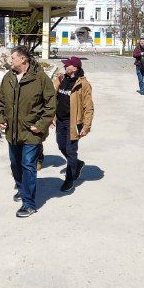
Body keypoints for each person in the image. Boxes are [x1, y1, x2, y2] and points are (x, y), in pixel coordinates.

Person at [0, 46, 56, 218]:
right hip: (12, 131)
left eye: (12, 57)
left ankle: (29, 204)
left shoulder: (40, 78)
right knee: (15, 164)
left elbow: (51, 104)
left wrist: (42, 124)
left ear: (23, 59)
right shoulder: (9, 77)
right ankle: (22, 189)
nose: (10, 60)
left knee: (28, 165)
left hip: (31, 131)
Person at [52, 56, 94, 192]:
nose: (64, 67)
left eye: (67, 65)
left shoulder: (83, 84)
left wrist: (86, 126)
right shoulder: (61, 79)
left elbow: (89, 107)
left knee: (71, 151)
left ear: (74, 68)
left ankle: (69, 179)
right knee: (61, 146)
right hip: (59, 120)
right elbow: (52, 96)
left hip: (73, 122)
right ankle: (78, 163)